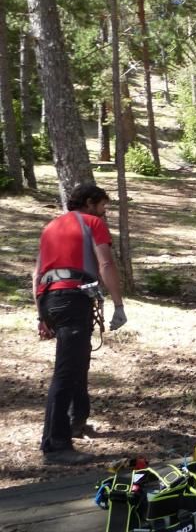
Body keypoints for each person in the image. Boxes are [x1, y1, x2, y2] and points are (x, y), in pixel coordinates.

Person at [33, 183, 127, 465]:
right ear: (89, 203)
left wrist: (41, 313)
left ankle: (76, 421)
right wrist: (119, 304)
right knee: (66, 371)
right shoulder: (93, 223)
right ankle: (55, 444)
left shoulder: (51, 227)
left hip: (51, 297)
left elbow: (37, 272)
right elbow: (106, 264)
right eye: (102, 207)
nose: (104, 213)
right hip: (73, 297)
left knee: (78, 361)